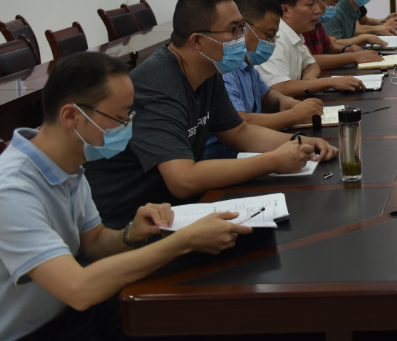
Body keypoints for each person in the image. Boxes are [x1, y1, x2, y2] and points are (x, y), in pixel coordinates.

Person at [0, 52, 255, 341]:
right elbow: (78, 289)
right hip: (35, 330)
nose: (126, 127)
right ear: (71, 116)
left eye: (128, 116)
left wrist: (131, 234)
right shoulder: (12, 189)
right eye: (119, 118)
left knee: (196, 310)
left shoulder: (68, 163)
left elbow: (94, 243)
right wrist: (182, 241)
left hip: (71, 312)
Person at [85, 0, 336, 229]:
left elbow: (239, 132)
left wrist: (298, 142)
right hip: (130, 223)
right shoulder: (158, 85)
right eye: (233, 30)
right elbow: (182, 179)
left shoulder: (208, 70)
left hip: (174, 210)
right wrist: (273, 161)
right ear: (197, 41)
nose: (241, 38)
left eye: (242, 28)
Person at [202, 0, 327, 160]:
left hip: (250, 155)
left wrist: (283, 100)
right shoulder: (226, 70)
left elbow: (266, 95)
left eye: (274, 37)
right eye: (268, 36)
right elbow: (240, 123)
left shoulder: (247, 65)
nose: (272, 43)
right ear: (243, 29)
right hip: (226, 162)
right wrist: (293, 116)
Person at [255, 0, 369, 97]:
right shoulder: (275, 39)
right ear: (285, 10)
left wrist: (309, 80)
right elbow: (278, 88)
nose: (318, 10)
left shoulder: (295, 34)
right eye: (310, 4)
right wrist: (329, 82)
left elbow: (312, 64)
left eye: (317, 3)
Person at [302, 0, 385, 69]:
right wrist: (353, 57)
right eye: (333, 4)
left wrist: (346, 49)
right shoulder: (301, 25)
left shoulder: (317, 22)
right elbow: (310, 61)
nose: (335, 8)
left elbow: (327, 46)